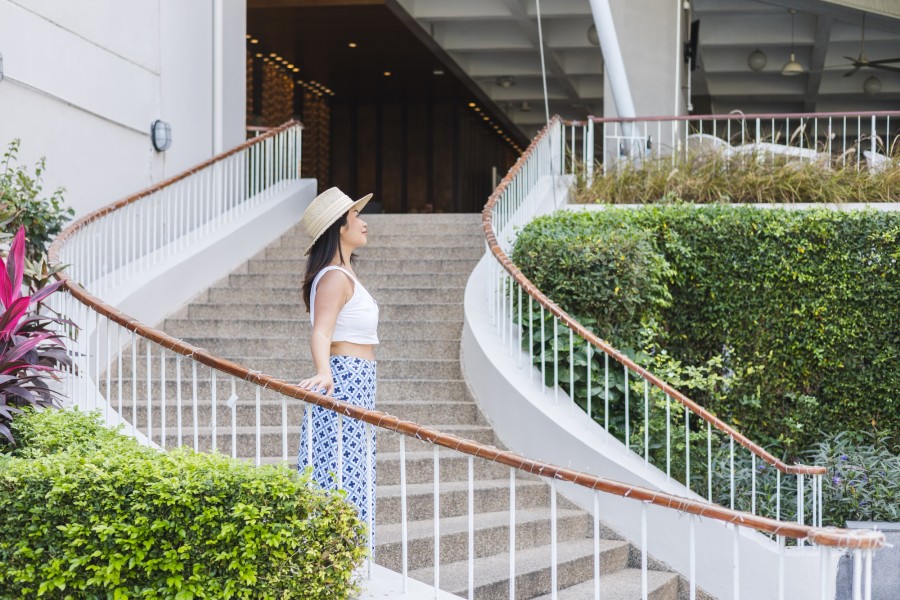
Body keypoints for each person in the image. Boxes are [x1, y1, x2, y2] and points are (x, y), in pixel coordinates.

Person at [296, 186, 379, 538]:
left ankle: (353, 554)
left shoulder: (343, 274)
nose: (363, 222)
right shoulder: (333, 276)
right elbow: (321, 332)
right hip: (344, 378)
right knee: (341, 471)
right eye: (355, 216)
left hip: (358, 380)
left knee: (352, 469)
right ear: (339, 228)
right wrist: (323, 372)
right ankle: (342, 554)